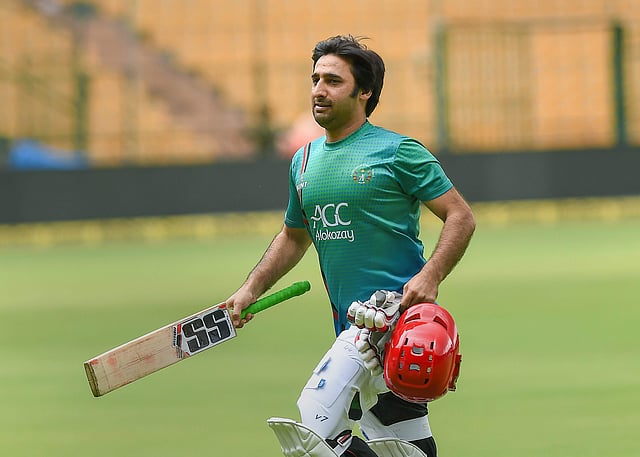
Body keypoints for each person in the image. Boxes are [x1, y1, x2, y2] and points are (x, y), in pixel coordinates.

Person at [226, 35, 475, 457]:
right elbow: (293, 236)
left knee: (312, 435)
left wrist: (430, 276)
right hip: (351, 325)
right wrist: (251, 288)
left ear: (365, 92)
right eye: (315, 79)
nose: (319, 90)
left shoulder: (398, 151)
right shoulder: (303, 161)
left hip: (397, 326)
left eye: (333, 81)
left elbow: (460, 215)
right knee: (403, 445)